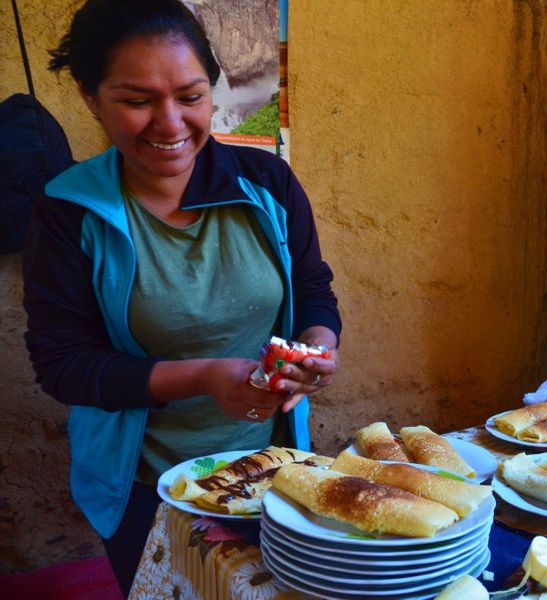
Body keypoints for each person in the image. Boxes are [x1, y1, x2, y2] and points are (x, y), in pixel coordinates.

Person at [22, 0, 341, 594]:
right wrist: (204, 377)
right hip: (146, 482)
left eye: (191, 97)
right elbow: (64, 366)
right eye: (138, 101)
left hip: (273, 467)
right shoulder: (68, 211)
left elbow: (314, 292)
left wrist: (318, 351)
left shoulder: (268, 183)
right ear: (92, 97)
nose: (170, 124)